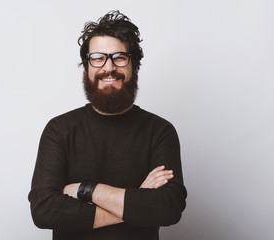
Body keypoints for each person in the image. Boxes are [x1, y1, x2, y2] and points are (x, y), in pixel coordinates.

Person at [28, 10, 187, 240]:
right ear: (87, 67)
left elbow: (168, 208)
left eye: (120, 57)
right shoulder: (59, 130)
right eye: (98, 57)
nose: (108, 67)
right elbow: (44, 211)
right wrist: (138, 200)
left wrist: (87, 190)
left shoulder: (160, 131)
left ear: (136, 66)